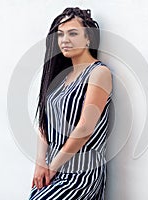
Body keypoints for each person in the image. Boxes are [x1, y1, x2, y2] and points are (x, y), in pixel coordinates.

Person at [28, 7, 112, 200]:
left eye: (73, 33)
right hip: (51, 169)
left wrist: (52, 167)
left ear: (88, 38)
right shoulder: (60, 78)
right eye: (60, 34)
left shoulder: (98, 73)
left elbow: (85, 128)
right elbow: (44, 124)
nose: (65, 40)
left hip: (80, 174)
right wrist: (40, 163)